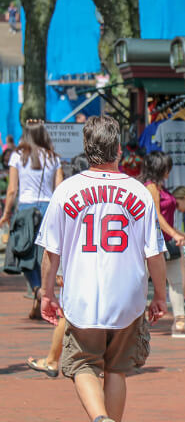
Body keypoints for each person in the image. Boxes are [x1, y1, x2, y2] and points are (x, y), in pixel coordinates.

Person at [36, 116, 168, 422]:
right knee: (117, 370)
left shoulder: (67, 190)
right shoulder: (138, 192)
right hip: (128, 297)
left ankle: (99, 418)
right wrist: (159, 295)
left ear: (86, 147)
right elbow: (155, 254)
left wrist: (47, 293)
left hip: (82, 294)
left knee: (83, 364)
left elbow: (50, 253)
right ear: (119, 149)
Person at [26, 154, 89, 378]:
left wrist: (48, 287)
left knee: (67, 314)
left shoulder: (67, 196)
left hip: (73, 264)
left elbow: (52, 246)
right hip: (95, 265)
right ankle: (56, 359)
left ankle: (53, 359)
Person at [0, 119, 63, 317]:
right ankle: (41, 299)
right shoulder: (53, 158)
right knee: (43, 257)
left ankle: (37, 291)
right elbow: (59, 189)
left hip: (26, 209)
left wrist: (7, 214)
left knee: (24, 255)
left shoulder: (17, 157)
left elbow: (12, 190)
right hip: (48, 209)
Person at [141, 151, 185, 338]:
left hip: (165, 241)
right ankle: (135, 322)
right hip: (150, 242)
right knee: (142, 282)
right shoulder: (150, 188)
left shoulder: (160, 187)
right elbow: (156, 216)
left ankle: (180, 320)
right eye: (167, 167)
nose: (169, 171)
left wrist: (176, 234)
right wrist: (175, 233)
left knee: (176, 281)